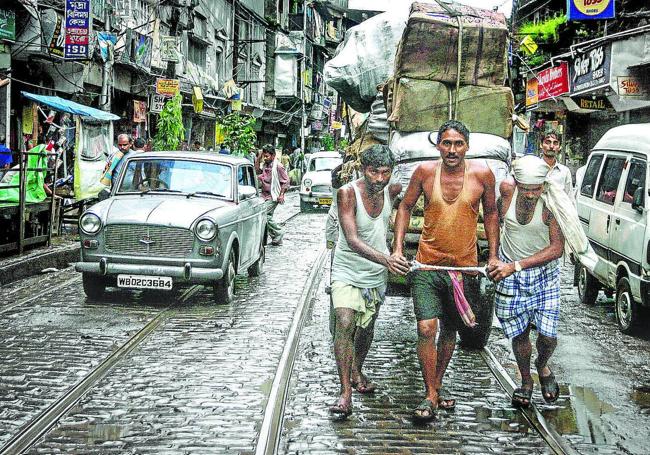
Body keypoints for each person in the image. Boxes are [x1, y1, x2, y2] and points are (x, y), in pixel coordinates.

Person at [392, 120, 499, 421]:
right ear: (438, 145)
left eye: (458, 144)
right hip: (427, 265)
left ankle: (435, 387)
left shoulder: (483, 175)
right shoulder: (424, 173)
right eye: (446, 144)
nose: (452, 150)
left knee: (450, 331)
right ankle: (429, 394)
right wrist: (398, 248)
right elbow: (405, 207)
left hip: (464, 269)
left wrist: (493, 256)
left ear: (467, 146)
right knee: (427, 328)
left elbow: (491, 215)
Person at [329, 145, 410, 418]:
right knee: (344, 321)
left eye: (385, 173)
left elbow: (407, 208)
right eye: (373, 172)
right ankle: (345, 392)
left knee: (366, 328)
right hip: (347, 270)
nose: (379, 178)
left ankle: (356, 369)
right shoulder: (347, 193)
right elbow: (351, 239)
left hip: (374, 277)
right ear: (363, 170)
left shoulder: (392, 191)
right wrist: (387, 259)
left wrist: (397, 249)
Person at [488, 155, 566, 408]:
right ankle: (525, 381)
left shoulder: (551, 206)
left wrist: (517, 266)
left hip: (543, 274)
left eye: (536, 189)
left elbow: (556, 249)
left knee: (548, 336)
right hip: (509, 271)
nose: (531, 195)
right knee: (519, 333)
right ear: (517, 184)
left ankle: (542, 365)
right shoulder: (507, 196)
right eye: (527, 189)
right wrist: (495, 258)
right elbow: (494, 224)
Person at [256, 144, 289, 245]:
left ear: (273, 156)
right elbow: (256, 170)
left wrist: (281, 195)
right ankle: (276, 237)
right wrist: (259, 157)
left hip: (273, 196)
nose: (265, 158)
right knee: (267, 216)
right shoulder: (264, 165)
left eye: (267, 156)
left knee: (264, 214)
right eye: (264, 156)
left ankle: (279, 232)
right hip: (263, 195)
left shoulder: (278, 167)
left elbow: (286, 181)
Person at [539, 130, 572, 195]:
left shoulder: (564, 172)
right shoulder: (533, 168)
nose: (551, 146)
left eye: (555, 143)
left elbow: (569, 200)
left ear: (560, 147)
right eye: (548, 142)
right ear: (541, 145)